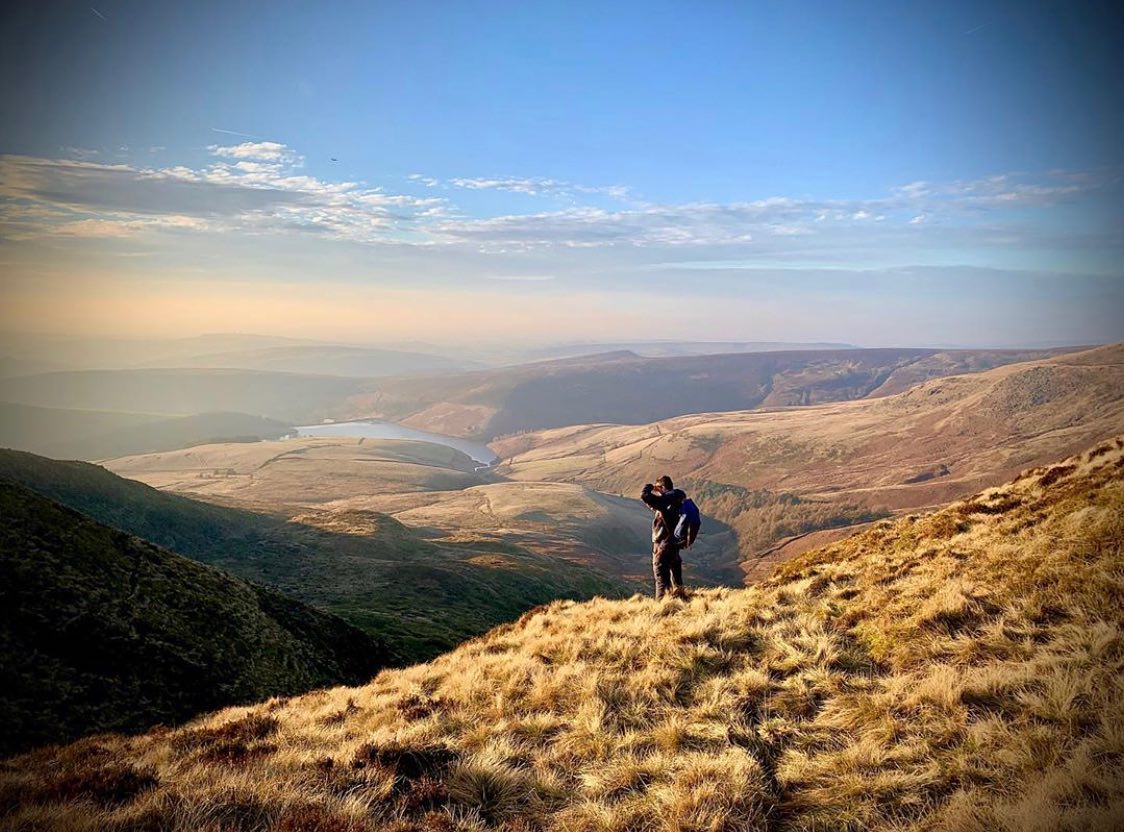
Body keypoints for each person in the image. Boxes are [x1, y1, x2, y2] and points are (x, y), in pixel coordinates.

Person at [641, 475, 686, 600]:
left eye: (658, 489)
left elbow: (645, 496)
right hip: (675, 546)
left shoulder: (664, 503)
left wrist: (649, 487)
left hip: (662, 547)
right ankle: (682, 604)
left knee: (662, 581)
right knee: (677, 580)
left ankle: (663, 609)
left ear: (662, 487)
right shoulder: (678, 499)